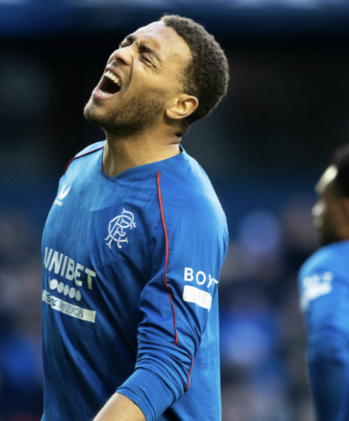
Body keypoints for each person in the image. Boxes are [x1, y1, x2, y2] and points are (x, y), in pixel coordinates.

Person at [41, 14, 229, 421]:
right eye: (128, 42)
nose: (122, 53)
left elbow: (166, 365)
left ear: (180, 105)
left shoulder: (187, 210)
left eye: (146, 57)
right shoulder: (80, 165)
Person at [298, 144, 349, 421]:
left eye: (322, 199)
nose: (316, 211)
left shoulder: (330, 264)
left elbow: (328, 348)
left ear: (346, 209)